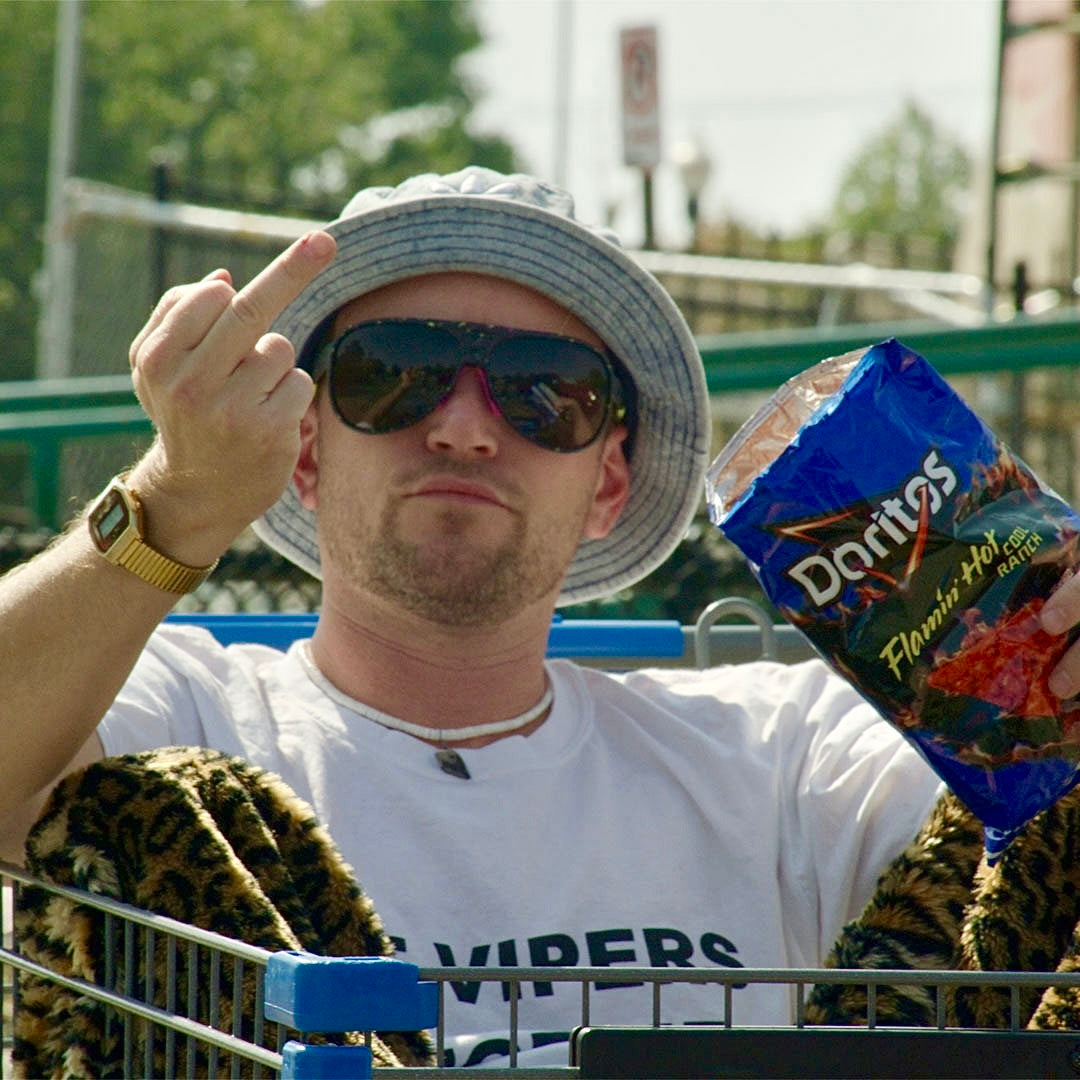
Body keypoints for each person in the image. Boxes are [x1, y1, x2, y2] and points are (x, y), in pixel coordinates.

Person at [3, 166, 1078, 1067]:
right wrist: (171, 506)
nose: (467, 428)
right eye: (396, 376)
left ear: (609, 478)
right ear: (305, 444)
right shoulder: (178, 716)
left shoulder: (782, 755)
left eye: (544, 391)